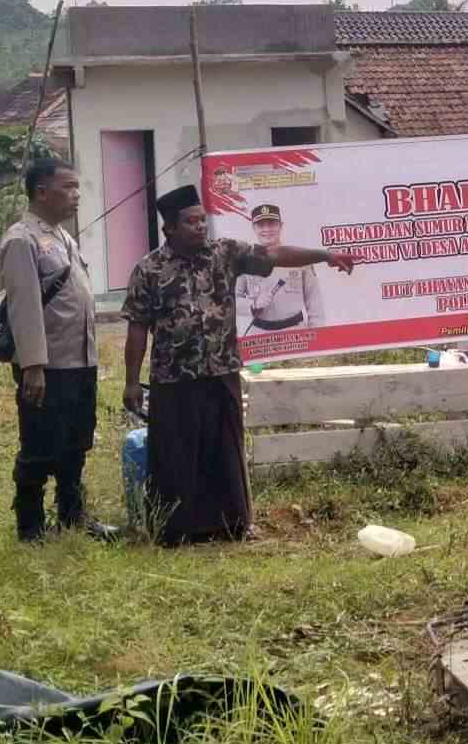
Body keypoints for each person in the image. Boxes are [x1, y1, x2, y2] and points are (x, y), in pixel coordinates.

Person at [121, 185, 355, 543]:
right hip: (174, 377)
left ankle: (231, 526)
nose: (200, 227)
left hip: (222, 371)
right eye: (190, 222)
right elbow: (137, 328)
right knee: (176, 455)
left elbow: (276, 254)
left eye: (202, 220)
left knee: (224, 452)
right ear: (169, 228)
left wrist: (324, 254)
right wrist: (132, 381)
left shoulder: (225, 253)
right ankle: (175, 531)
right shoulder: (149, 269)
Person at [0, 159, 116, 542]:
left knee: (76, 441)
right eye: (68, 187)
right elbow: (25, 306)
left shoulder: (63, 237)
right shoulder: (21, 239)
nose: (76, 195)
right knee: (39, 444)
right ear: (42, 192)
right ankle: (30, 527)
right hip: (47, 365)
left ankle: (72, 514)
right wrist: (32, 365)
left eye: (77, 187)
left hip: (79, 359)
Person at [236, 204, 325, 332]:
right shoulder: (244, 261)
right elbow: (232, 300)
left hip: (295, 331)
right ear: (253, 228)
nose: (266, 229)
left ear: (281, 226)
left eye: (271, 223)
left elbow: (314, 301)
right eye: (261, 225)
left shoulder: (299, 258)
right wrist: (253, 304)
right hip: (259, 334)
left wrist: (318, 333)